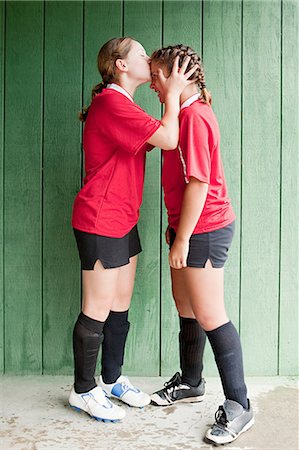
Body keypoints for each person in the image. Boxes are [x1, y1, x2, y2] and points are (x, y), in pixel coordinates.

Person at [69, 37, 197, 423]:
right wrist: (174, 92)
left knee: (120, 305)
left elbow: (159, 137)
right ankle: (83, 390)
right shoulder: (110, 102)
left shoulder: (125, 105)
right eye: (141, 54)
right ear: (121, 65)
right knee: (97, 309)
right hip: (99, 219)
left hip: (124, 218)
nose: (148, 58)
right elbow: (170, 137)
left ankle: (112, 379)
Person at [149, 44, 254, 445]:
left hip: (203, 229)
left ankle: (240, 404)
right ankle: (192, 381)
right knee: (185, 305)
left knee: (210, 314)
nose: (155, 86)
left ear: (180, 76)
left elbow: (199, 183)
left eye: (159, 78)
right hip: (186, 228)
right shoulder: (182, 114)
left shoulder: (195, 117)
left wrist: (183, 239)